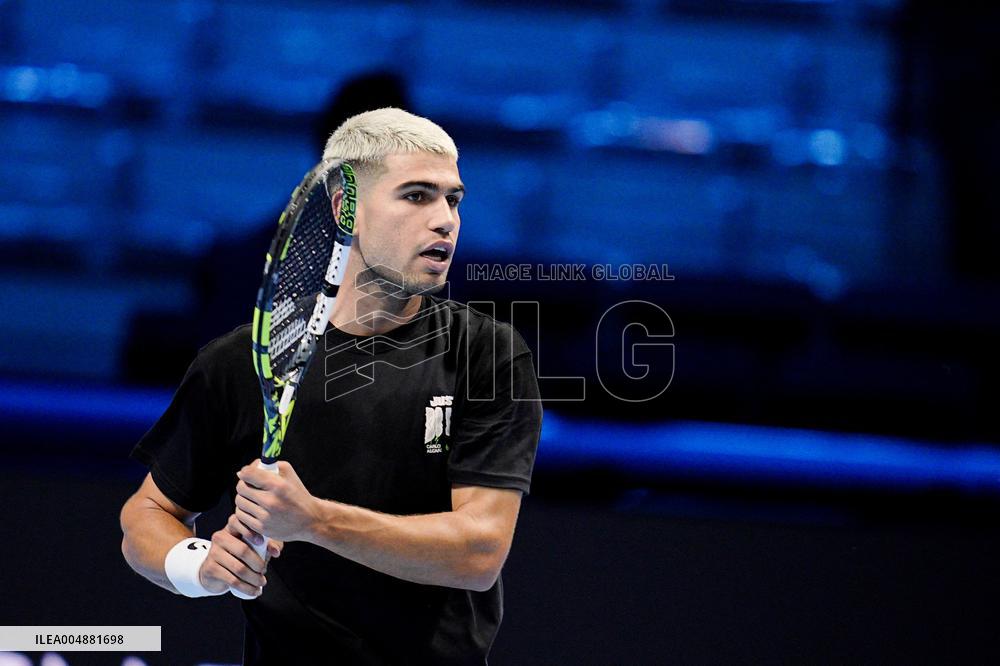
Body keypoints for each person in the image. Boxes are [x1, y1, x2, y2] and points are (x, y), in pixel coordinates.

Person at [119, 108, 543, 665]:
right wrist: (199, 564)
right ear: (347, 209)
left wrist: (313, 521)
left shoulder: (487, 354)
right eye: (417, 196)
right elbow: (146, 514)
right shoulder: (245, 359)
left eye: (453, 200)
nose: (445, 220)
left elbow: (479, 552)